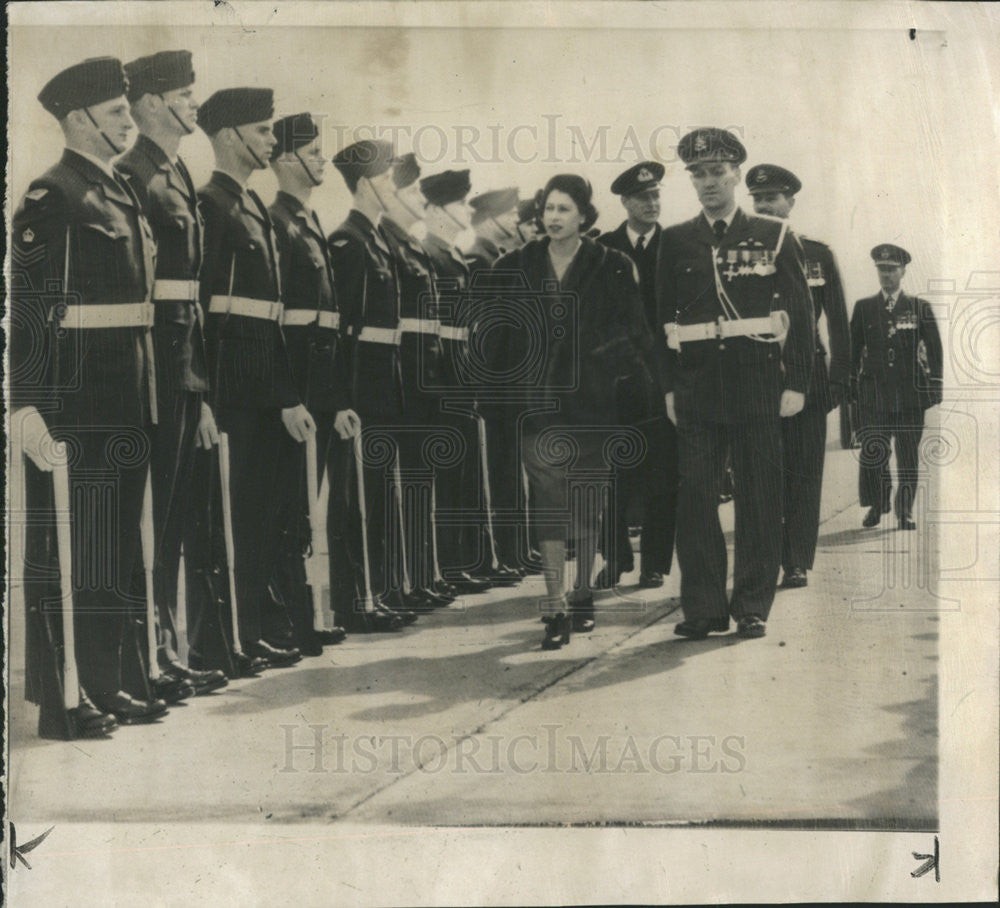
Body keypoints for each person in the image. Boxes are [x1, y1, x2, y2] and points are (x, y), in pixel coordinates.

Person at [12, 57, 168, 735]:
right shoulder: (53, 197)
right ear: (79, 120)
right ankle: (61, 700)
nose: (128, 123)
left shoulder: (116, 191)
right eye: (116, 114)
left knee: (111, 550)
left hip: (125, 395)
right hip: (73, 404)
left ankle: (103, 682)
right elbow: (28, 311)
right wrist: (27, 405)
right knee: (64, 549)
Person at [489, 174, 663, 650]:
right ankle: (554, 604)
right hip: (535, 406)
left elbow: (635, 333)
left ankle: (582, 595)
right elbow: (495, 340)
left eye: (564, 209)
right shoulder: (513, 265)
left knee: (587, 503)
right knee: (547, 502)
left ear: (584, 215)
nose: (553, 217)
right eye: (548, 208)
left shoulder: (612, 265)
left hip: (591, 405)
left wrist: (601, 366)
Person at [655, 128, 814, 640]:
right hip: (699, 387)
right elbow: (660, 321)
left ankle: (751, 605)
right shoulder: (676, 239)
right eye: (698, 174)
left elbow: (802, 316)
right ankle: (702, 608)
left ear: (736, 175)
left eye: (716, 172)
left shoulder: (773, 234)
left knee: (759, 497)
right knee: (696, 498)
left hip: (756, 384)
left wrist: (798, 384)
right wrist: (669, 389)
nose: (707, 183)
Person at [119, 50, 229, 698]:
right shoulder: (134, 174)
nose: (194, 104)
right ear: (154, 103)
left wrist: (202, 389)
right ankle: (150, 658)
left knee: (176, 518)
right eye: (185, 94)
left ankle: (166, 650)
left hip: (182, 371)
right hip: (154, 373)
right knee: (152, 525)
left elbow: (193, 302)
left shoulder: (177, 170)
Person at [197, 87, 308, 673]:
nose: (270, 140)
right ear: (229, 136)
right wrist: (206, 397)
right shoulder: (211, 204)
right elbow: (200, 309)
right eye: (261, 130)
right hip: (231, 389)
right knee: (234, 516)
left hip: (264, 390)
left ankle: (255, 629)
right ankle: (228, 639)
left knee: (261, 515)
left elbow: (275, 318)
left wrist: (287, 396)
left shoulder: (255, 207)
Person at [267, 112, 353, 653]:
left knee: (306, 505)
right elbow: (276, 321)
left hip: (319, 386)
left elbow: (332, 319)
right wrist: (289, 395)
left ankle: (307, 615)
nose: (322, 159)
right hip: (295, 384)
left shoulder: (309, 220)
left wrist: (337, 398)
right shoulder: (276, 220)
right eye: (313, 151)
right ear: (284, 160)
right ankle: (291, 620)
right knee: (286, 508)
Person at [747, 163, 852, 588]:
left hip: (809, 378)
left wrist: (839, 381)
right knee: (763, 475)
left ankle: (796, 560)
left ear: (790, 202)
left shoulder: (817, 252)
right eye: (757, 199)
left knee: (805, 473)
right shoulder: (741, 251)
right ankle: (767, 556)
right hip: (757, 377)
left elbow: (839, 323)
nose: (764, 205)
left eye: (772, 198)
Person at [327, 139, 416, 630]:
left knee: (381, 493)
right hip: (362, 382)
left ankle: (381, 590)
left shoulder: (378, 238)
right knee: (358, 498)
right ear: (364, 184)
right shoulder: (349, 241)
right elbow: (340, 327)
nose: (392, 187)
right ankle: (357, 600)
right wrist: (341, 396)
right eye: (385, 179)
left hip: (385, 381)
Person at [421, 169, 519, 591]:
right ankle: (455, 561)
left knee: (466, 478)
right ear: (438, 210)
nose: (466, 209)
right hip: (446, 379)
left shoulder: (454, 258)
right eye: (459, 203)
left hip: (461, 376)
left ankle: (471, 559)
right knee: (451, 479)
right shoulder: (434, 256)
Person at [379, 152, 455, 608]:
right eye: (410, 192)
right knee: (402, 484)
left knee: (421, 482)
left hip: (424, 379)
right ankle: (401, 580)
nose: (419, 200)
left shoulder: (412, 245)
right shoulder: (387, 241)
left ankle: (421, 575)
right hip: (402, 379)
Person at [597, 161, 678, 590]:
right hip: (617, 383)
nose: (653, 203)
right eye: (643, 198)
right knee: (613, 473)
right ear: (625, 202)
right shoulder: (603, 249)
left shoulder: (677, 245)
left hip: (665, 381)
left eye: (656, 196)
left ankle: (655, 564)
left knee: (663, 474)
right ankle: (615, 558)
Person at [851, 244, 942, 530]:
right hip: (874, 394)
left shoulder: (919, 307)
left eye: (891, 269)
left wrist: (936, 386)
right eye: (882, 269)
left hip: (909, 396)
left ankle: (905, 511)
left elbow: (935, 350)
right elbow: (854, 350)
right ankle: (878, 505)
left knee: (907, 456)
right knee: (874, 453)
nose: (886, 274)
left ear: (903, 272)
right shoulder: (864, 308)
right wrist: (851, 388)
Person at [465, 187, 521, 269]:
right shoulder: (477, 259)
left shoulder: (496, 253)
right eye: (511, 214)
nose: (517, 219)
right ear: (489, 220)